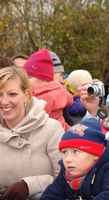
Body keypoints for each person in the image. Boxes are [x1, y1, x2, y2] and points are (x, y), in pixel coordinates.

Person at [0, 66, 64, 200]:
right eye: (0, 94)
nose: (4, 101)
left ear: (26, 95)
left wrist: (29, 186)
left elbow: (67, 177)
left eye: (12, 94)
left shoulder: (51, 129)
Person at [40, 118, 109, 200]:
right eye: (65, 152)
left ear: (95, 154)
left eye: (76, 151)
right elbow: (49, 195)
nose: (68, 159)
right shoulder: (65, 173)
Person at [23, 49, 73, 131]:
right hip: (63, 129)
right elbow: (70, 99)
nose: (24, 80)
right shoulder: (60, 90)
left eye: (29, 77)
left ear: (43, 80)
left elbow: (33, 121)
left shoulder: (43, 97)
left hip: (52, 134)